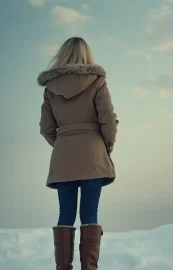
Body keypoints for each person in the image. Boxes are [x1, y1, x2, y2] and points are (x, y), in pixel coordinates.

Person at [37, 37, 119, 270]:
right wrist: (105, 146)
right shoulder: (97, 81)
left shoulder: (51, 88)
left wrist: (63, 144)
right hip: (93, 151)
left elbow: (45, 128)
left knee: (65, 215)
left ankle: (63, 268)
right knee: (89, 214)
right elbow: (108, 121)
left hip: (63, 155)